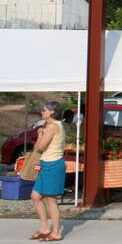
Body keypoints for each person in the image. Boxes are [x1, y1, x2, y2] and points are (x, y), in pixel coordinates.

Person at [29, 102, 66, 242]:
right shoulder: (52, 126)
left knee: (50, 199)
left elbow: (40, 147)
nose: (42, 113)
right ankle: (44, 229)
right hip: (46, 164)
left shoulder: (52, 126)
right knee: (35, 196)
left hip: (53, 165)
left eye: (44, 110)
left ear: (51, 112)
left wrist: (39, 135)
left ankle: (56, 233)